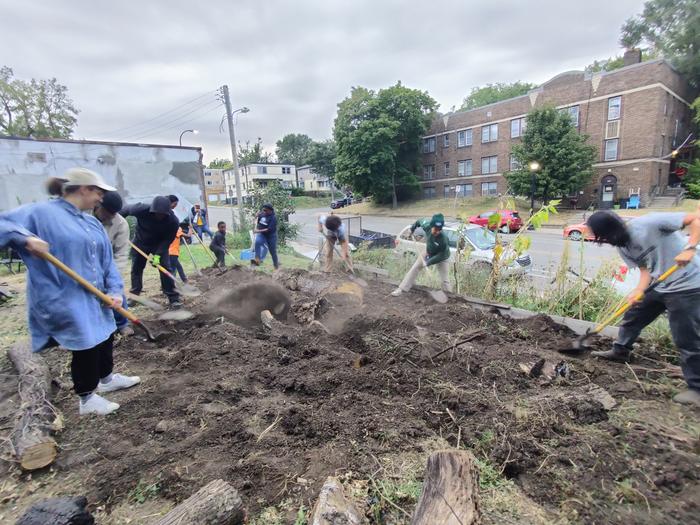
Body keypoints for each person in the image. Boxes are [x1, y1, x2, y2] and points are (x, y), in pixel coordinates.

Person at [0, 168, 140, 416]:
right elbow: (3, 223)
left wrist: (115, 290)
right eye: (98, 192)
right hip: (64, 294)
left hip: (96, 293)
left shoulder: (90, 223)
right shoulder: (41, 213)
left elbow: (107, 262)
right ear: (84, 189)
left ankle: (106, 379)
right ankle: (87, 398)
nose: (100, 198)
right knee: (86, 341)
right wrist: (24, 239)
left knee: (106, 333)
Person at [586, 210, 700, 407]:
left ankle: (696, 389)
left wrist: (690, 248)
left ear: (610, 229)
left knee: (686, 337)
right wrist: (639, 290)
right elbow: (645, 270)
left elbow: (695, 218)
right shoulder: (623, 245)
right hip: (660, 284)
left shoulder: (650, 223)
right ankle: (620, 351)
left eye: (602, 236)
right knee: (634, 315)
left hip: (688, 285)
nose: (603, 240)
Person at [121, 196, 181, 308]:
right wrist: (116, 225)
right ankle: (134, 296)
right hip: (140, 242)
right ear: (152, 210)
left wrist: (157, 256)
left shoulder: (173, 221)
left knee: (165, 269)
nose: (160, 216)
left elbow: (167, 241)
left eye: (163, 214)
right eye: (157, 213)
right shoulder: (140, 209)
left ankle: (173, 298)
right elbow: (124, 211)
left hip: (159, 245)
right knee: (136, 269)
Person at [93, 190, 134, 336]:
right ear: (98, 205)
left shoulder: (120, 224)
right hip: (85, 265)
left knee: (117, 294)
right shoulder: (84, 216)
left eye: (115, 212)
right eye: (109, 211)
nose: (112, 215)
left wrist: (114, 279)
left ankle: (122, 324)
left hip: (107, 265)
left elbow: (121, 254)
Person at [391, 213, 451, 297]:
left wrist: (428, 262)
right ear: (431, 226)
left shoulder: (443, 239)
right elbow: (419, 221)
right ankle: (401, 289)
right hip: (428, 251)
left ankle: (449, 296)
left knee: (445, 279)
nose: (437, 231)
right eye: (435, 229)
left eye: (439, 229)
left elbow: (441, 255)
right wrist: (412, 229)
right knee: (415, 268)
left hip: (442, 256)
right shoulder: (427, 226)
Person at [252, 203, 279, 269]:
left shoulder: (273, 218)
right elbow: (254, 221)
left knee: (272, 251)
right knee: (257, 242)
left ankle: (276, 266)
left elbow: (268, 230)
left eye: (266, 210)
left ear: (270, 210)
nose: (264, 212)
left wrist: (257, 231)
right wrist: (255, 216)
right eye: (263, 210)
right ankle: (257, 260)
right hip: (262, 235)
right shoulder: (261, 214)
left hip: (271, 236)